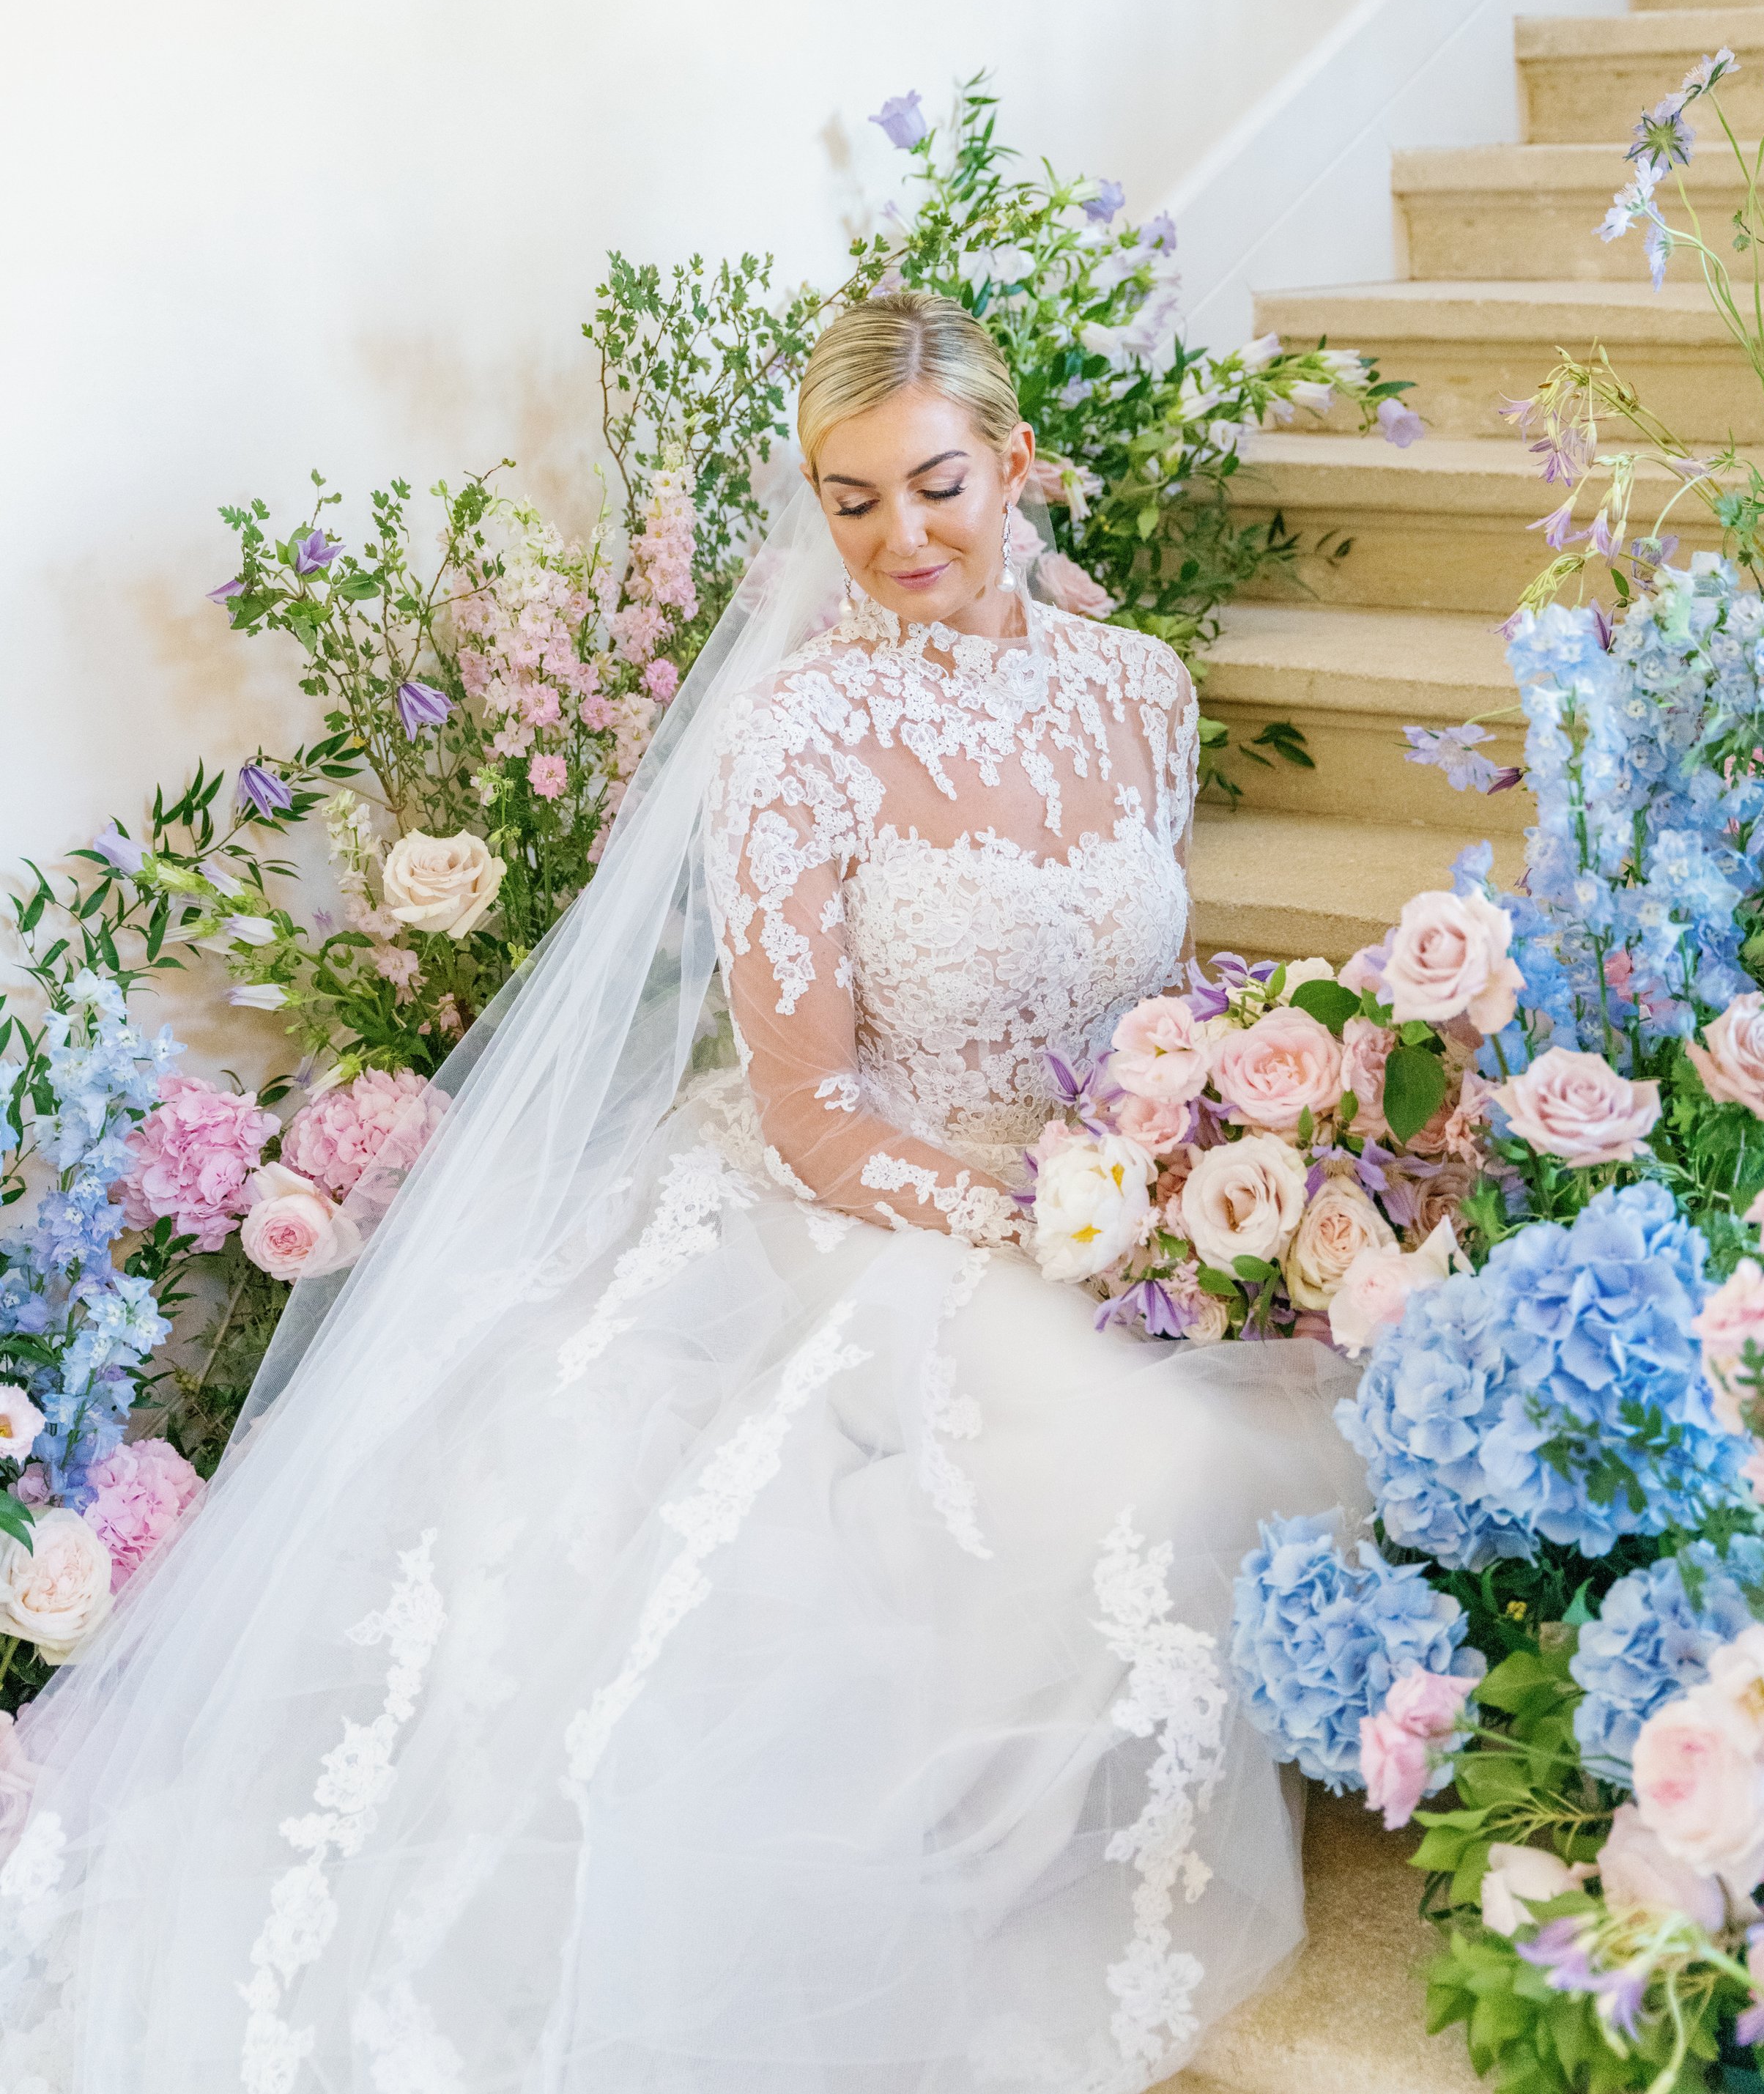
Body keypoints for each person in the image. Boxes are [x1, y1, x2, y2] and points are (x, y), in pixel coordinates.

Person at [0, 292, 1367, 2093]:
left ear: (1016, 460)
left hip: (1091, 1191)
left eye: (939, 481)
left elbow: (1136, 998)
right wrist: (1045, 1227)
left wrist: (1184, 1158)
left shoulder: (1143, 691)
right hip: (870, 1208)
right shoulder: (796, 733)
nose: (901, 538)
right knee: (1155, 1457)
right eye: (851, 499)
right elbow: (803, 1104)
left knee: (1297, 1414)